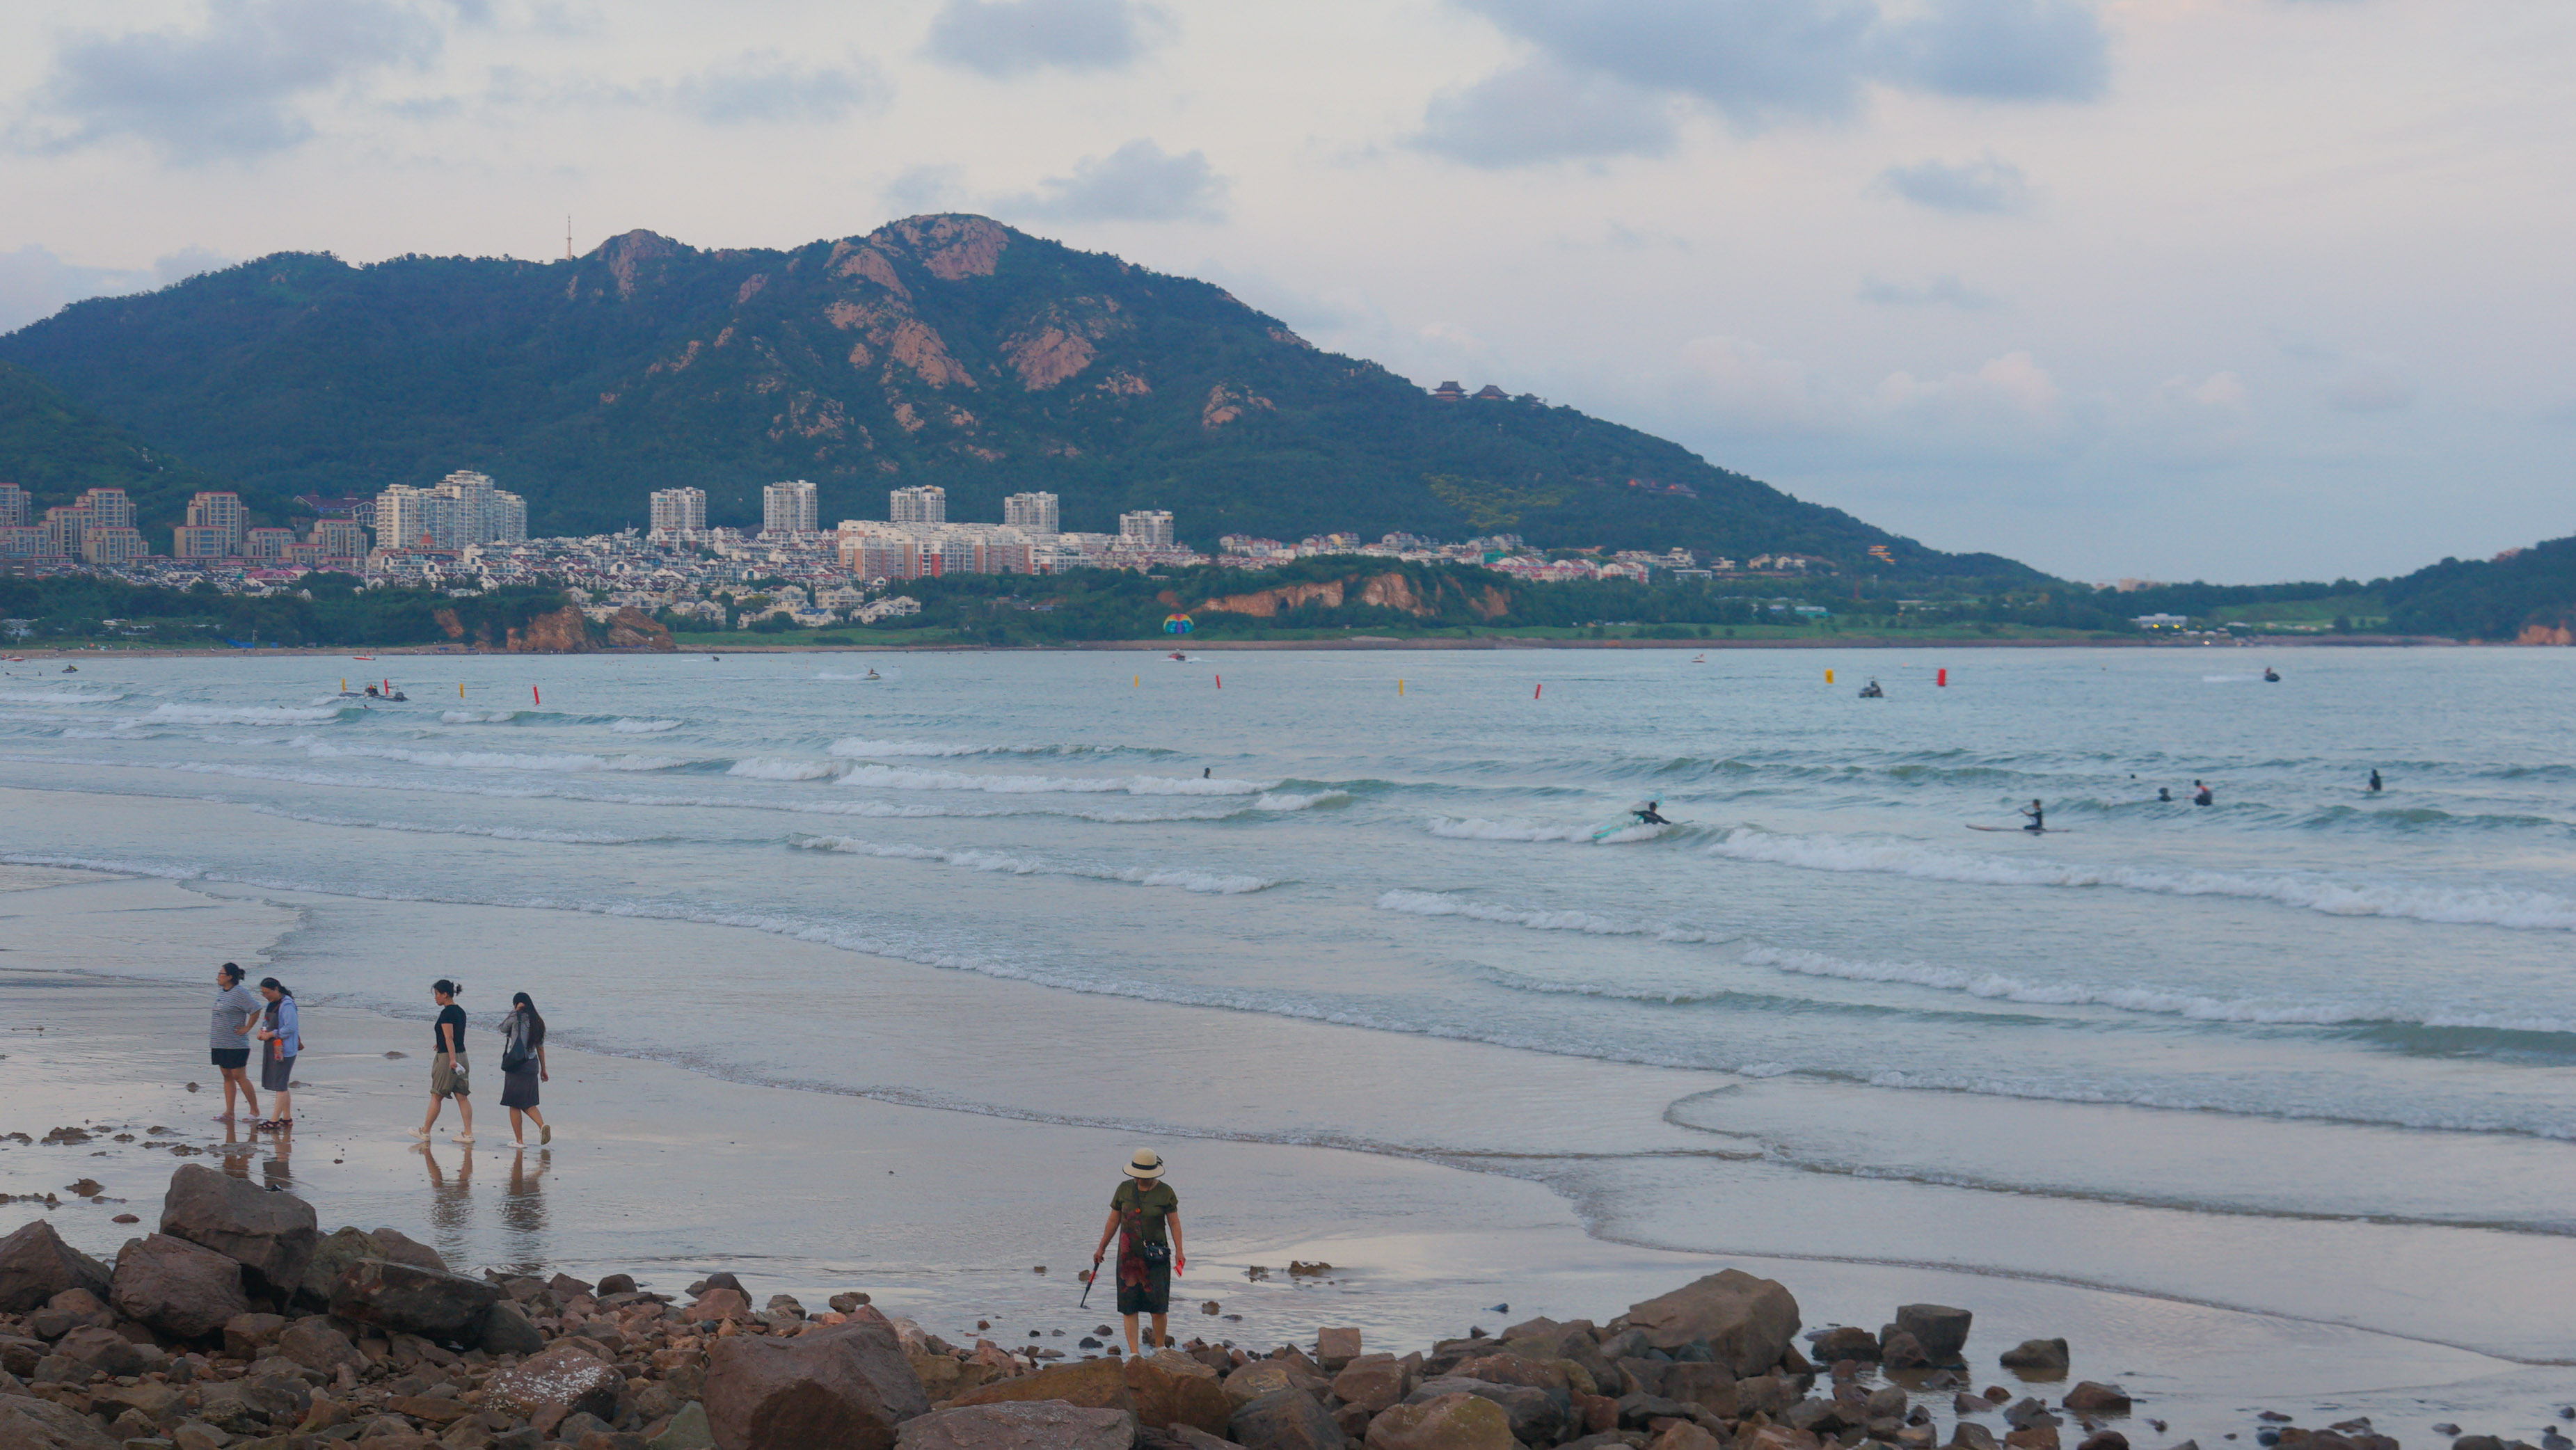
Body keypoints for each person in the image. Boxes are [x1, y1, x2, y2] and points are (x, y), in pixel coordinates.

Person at [1090, 1149, 1184, 1357]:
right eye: (1138, 1175)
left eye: (1145, 1176)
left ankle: (1160, 1348)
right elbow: (1113, 1220)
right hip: (1128, 1255)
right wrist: (1101, 1247)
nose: (1140, 1179)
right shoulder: (1124, 1190)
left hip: (1156, 1255)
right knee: (1129, 1304)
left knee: (1158, 1305)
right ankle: (1134, 1354)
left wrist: (1180, 1251)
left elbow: (1174, 1223)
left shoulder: (1165, 1192)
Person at [413, 979, 475, 1145]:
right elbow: (455, 1035)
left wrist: (452, 1059)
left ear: (445, 994)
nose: (435, 998)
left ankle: (425, 1132)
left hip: (450, 1057)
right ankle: (468, 1134)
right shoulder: (460, 1011)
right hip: (463, 1055)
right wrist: (440, 1043)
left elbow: (449, 1037)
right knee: (462, 1096)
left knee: (437, 1095)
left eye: (437, 995)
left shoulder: (447, 1013)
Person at [208, 964, 262, 1124]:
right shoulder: (221, 992)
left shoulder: (240, 993)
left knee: (239, 1076)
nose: (218, 976)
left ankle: (254, 1111)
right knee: (227, 1076)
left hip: (236, 1044)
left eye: (221, 974)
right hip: (219, 1042)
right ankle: (229, 1112)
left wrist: (247, 1028)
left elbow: (256, 1009)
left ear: (230, 976)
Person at [497, 992, 552, 1149]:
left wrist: (514, 1013)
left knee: (513, 1103)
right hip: (532, 1064)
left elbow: (502, 1028)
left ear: (517, 1004)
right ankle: (542, 1126)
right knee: (528, 1101)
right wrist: (543, 1069)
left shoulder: (516, 1017)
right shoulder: (538, 1021)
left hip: (517, 1064)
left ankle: (519, 1141)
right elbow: (540, 1047)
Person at [252, 978, 300, 1131]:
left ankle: (274, 1121)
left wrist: (272, 1034)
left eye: (267, 993)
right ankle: (286, 1119)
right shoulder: (272, 1003)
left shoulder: (287, 1005)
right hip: (273, 1048)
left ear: (276, 989)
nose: (265, 996)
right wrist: (262, 1032)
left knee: (280, 1085)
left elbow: (290, 1028)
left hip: (285, 1050)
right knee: (282, 1083)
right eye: (263, 993)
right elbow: (266, 1021)